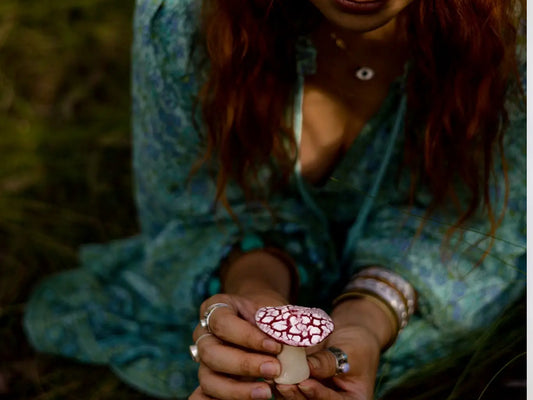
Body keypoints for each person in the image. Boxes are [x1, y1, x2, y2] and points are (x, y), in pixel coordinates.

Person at [24, 0, 525, 399]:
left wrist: (367, 325)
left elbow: (477, 231)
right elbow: (198, 211)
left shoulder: (511, 30)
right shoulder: (184, 17)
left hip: (419, 301)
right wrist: (255, 300)